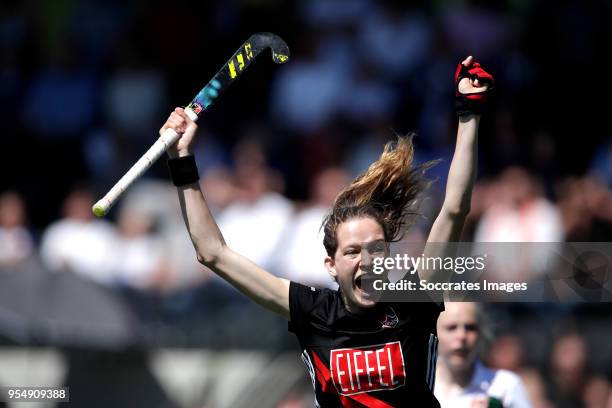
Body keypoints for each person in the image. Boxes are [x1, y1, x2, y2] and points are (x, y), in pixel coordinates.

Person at [161, 56, 493, 407]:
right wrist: (181, 158)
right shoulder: (313, 311)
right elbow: (211, 252)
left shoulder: (414, 300)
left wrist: (468, 112)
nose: (366, 260)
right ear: (330, 264)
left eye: (376, 249)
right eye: (352, 251)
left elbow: (455, 208)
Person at [435, 302, 532, 408]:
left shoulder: (506, 386)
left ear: (481, 333)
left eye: (470, 328)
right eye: (451, 328)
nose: (461, 336)